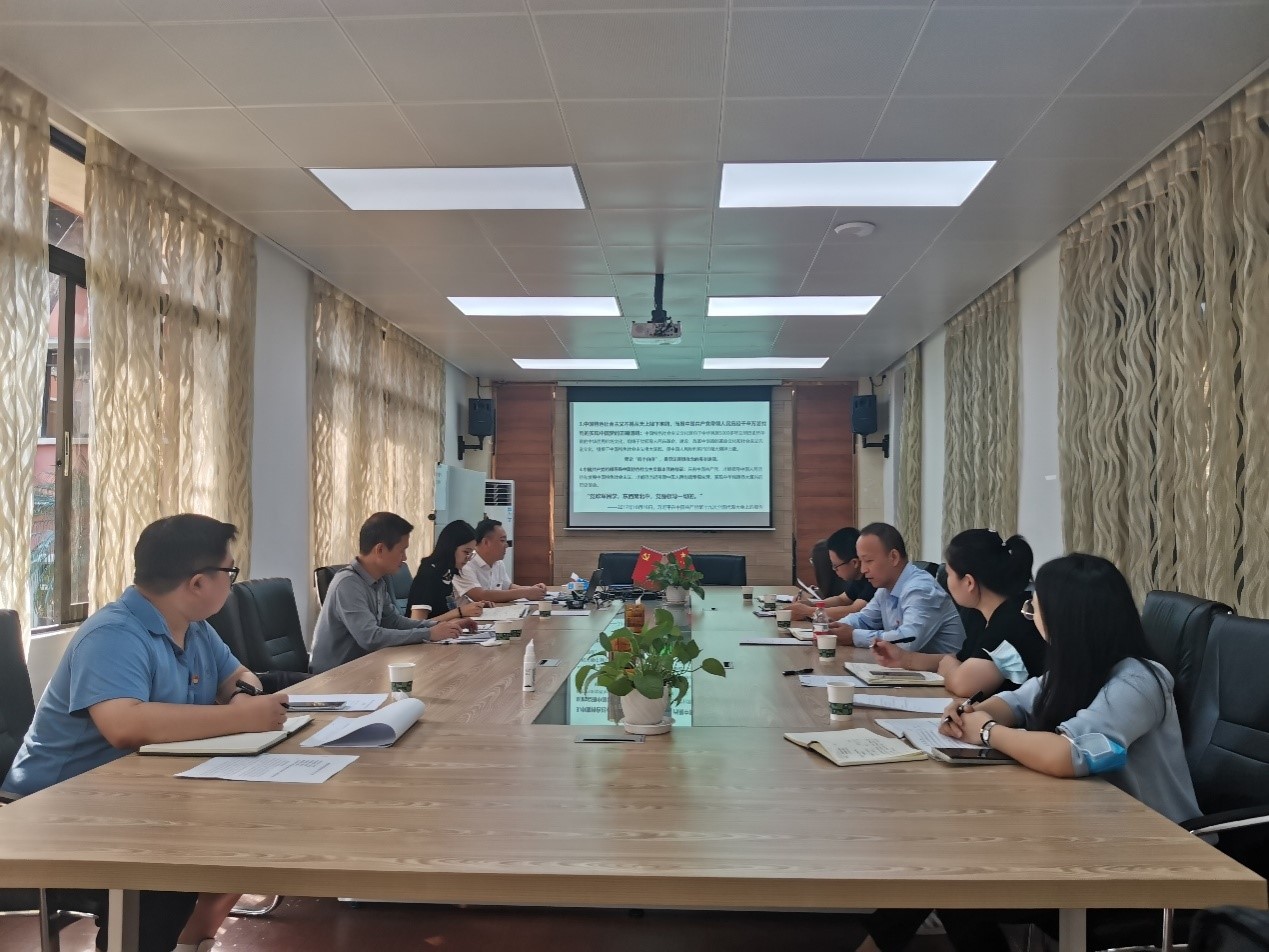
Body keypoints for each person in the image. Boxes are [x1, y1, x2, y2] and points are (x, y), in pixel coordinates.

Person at [2, 514, 286, 952]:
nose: (232, 583)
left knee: (250, 829)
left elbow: (239, 676)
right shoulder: (113, 634)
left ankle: (187, 940)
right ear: (198, 582)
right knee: (171, 867)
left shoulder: (194, 628)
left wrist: (242, 697)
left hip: (136, 798)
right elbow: (125, 725)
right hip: (54, 811)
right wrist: (243, 718)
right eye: (230, 573)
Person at [927, 554, 1199, 952]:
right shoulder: (1077, 667)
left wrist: (986, 732)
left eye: (1033, 608)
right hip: (1090, 832)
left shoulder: (1139, 680)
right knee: (952, 874)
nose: (1030, 616)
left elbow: (1072, 755)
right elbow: (1017, 702)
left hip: (1151, 852)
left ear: (1065, 618)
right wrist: (973, 711)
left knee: (961, 885)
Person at [869, 529, 1046, 695]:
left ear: (969, 582)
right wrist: (904, 659)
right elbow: (961, 660)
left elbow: (963, 684)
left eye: (949, 574)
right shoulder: (982, 614)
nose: (946, 582)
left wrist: (951, 667)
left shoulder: (1011, 621)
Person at [309, 512, 472, 674]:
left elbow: (394, 622)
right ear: (380, 550)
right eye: (402, 551)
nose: (405, 558)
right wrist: (429, 633)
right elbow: (370, 638)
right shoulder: (348, 583)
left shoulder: (378, 582)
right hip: (333, 676)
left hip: (364, 668)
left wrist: (440, 627)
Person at [828, 522, 964, 654]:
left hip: (945, 668)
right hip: (908, 667)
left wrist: (854, 636)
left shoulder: (921, 589)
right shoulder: (885, 589)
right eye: (861, 561)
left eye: (868, 561)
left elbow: (908, 640)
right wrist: (833, 628)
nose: (863, 569)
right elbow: (864, 619)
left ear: (893, 557)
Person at [406, 519, 492, 621]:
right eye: (466, 552)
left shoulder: (447, 572)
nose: (468, 558)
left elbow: (446, 610)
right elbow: (417, 623)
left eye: (471, 553)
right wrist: (460, 612)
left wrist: (475, 607)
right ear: (450, 547)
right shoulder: (428, 574)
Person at [452, 518, 548, 605]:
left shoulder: (498, 563)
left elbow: (508, 587)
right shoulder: (465, 564)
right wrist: (526, 593)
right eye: (502, 540)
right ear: (486, 542)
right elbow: (480, 596)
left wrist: (532, 589)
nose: (506, 545)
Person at [792, 527, 876, 622]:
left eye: (835, 566)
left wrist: (808, 611)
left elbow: (854, 610)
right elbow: (842, 599)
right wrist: (811, 604)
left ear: (854, 563)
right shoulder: (858, 578)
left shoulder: (872, 580)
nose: (833, 569)